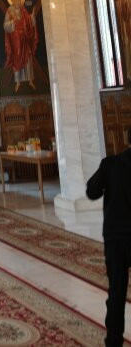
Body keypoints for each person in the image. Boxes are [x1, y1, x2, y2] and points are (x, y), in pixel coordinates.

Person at [86, 127, 131, 347]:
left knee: (117, 291)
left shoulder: (111, 164)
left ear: (126, 138)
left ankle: (114, 341)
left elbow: (92, 191)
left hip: (116, 237)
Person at [3, 0, 39, 91]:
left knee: (28, 58)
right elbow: (5, 25)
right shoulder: (9, 11)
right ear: (12, 0)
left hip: (24, 39)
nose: (17, 0)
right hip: (15, 40)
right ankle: (18, 82)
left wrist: (32, 17)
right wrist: (11, 23)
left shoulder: (23, 10)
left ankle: (30, 80)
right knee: (17, 60)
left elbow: (29, 21)